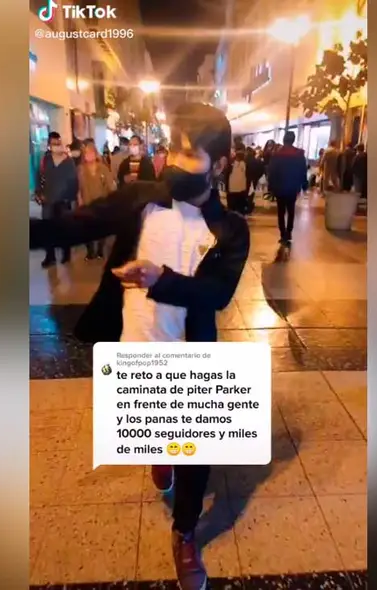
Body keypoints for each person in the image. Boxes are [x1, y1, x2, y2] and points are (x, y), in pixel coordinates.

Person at [30, 103, 248, 590]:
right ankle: (160, 447)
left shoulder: (230, 229)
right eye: (172, 147)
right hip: (135, 342)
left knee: (197, 449)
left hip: (192, 351)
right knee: (158, 429)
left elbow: (217, 294)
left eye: (189, 154)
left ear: (221, 161)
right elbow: (76, 225)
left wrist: (160, 279)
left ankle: (186, 532)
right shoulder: (143, 198)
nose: (173, 161)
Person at [35, 131, 78, 267]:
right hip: (48, 200)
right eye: (53, 144)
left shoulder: (68, 161)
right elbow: (39, 177)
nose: (56, 146)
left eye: (58, 143)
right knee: (48, 229)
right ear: (49, 145)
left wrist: (70, 197)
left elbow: (74, 181)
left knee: (64, 228)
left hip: (63, 201)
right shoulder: (44, 160)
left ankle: (66, 254)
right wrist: (39, 193)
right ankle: (50, 256)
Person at [266, 130, 307, 245]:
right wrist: (304, 185)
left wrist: (271, 187)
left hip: (280, 187)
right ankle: (289, 232)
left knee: (281, 211)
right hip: (293, 187)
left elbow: (272, 172)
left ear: (284, 140)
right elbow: (303, 171)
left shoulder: (277, 154)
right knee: (291, 210)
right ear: (293, 140)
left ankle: (282, 233)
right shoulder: (299, 155)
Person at [77, 139, 116, 259]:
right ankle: (90, 251)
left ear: (95, 153)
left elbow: (111, 186)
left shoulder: (103, 168)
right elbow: (78, 188)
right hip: (87, 203)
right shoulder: (80, 169)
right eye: (87, 153)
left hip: (101, 203)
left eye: (91, 152)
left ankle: (100, 250)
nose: (89, 155)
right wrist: (80, 201)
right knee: (86, 229)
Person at [226, 150, 250, 214]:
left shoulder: (231, 165)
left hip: (232, 189)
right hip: (242, 189)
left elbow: (226, 175)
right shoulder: (246, 165)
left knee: (232, 206)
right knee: (240, 205)